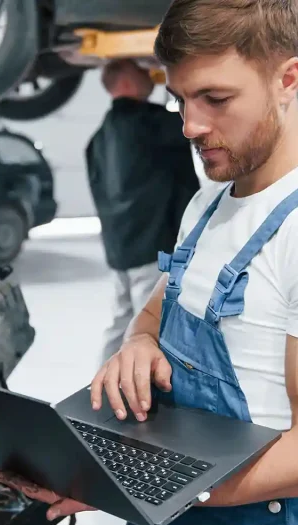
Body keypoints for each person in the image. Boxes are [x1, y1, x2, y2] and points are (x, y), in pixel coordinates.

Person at [0, 0, 298, 525]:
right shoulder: (209, 203)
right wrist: (137, 344)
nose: (190, 125)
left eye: (215, 99)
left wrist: (130, 486)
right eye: (180, 99)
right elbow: (155, 315)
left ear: (287, 80)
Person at [84, 58, 200, 366]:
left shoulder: (97, 139)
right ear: (124, 82)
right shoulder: (149, 123)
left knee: (121, 323)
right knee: (152, 331)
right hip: (151, 248)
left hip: (119, 250)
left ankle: (95, 392)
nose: (151, 75)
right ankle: (145, 401)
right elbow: (195, 125)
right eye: (141, 70)